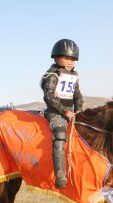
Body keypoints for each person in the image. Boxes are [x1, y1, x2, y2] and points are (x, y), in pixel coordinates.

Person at [41, 39, 84, 189]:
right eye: (67, 58)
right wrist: (65, 112)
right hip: (56, 113)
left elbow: (77, 95)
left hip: (71, 113)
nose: (70, 62)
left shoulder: (74, 75)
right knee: (60, 134)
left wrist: (78, 109)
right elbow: (49, 97)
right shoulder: (52, 75)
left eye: (73, 59)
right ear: (56, 57)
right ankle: (60, 175)